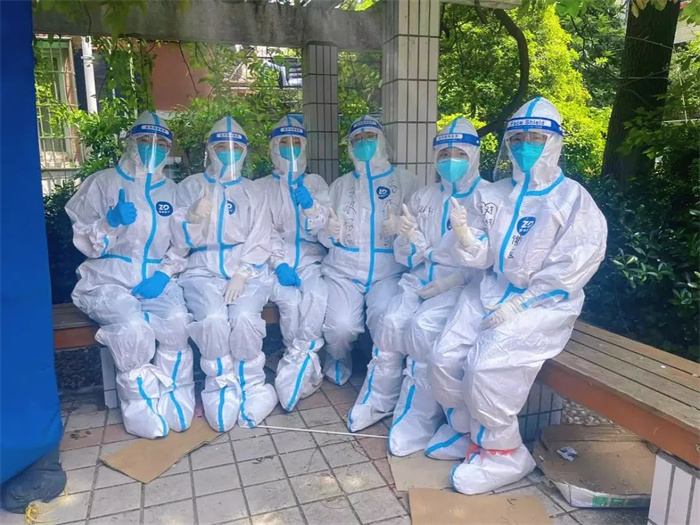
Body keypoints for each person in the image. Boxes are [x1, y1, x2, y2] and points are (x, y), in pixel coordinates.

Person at [429, 97, 607, 494]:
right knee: (443, 357)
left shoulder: (572, 199)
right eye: (518, 139)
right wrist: (465, 236)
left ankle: (504, 451)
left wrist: (522, 303)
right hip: (490, 288)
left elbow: (574, 264)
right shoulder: (494, 194)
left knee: (486, 367)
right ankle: (467, 430)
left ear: (554, 142)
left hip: (544, 302)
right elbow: (482, 255)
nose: (526, 146)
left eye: (536, 138)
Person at [364, 117, 503, 452]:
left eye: (459, 153)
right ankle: (378, 399)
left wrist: (453, 280)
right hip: (419, 278)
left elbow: (493, 261)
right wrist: (406, 237)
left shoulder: (489, 198)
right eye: (443, 154)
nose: (450, 160)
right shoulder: (424, 197)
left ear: (474, 155)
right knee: (390, 322)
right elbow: (407, 256)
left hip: (461, 286)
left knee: (422, 329)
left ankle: (418, 417)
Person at [67, 111, 193, 439]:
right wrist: (109, 222)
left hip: (154, 276)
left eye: (161, 143)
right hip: (108, 277)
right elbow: (84, 240)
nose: (153, 148)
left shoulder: (173, 191)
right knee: (133, 327)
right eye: (145, 140)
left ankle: (176, 394)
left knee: (177, 321)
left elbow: (181, 243)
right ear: (130, 142)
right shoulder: (104, 183)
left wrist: (165, 274)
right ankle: (140, 405)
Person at [173, 116, 276, 432]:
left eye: (235, 148)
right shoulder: (190, 187)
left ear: (244, 152)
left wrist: (243, 273)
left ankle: (253, 386)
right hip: (200, 270)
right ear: (209, 149)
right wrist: (193, 218)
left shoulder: (253, 191)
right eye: (220, 147)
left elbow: (262, 237)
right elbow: (175, 239)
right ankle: (220, 386)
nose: (228, 153)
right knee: (213, 320)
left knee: (244, 318)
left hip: (247, 271)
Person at [319, 116, 419, 393]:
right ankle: (338, 358)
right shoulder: (340, 185)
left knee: (386, 320)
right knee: (340, 327)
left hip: (389, 271)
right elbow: (323, 235)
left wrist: (403, 229)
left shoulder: (406, 181)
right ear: (350, 147)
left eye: (370, 137)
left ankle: (383, 373)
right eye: (357, 139)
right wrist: (329, 231)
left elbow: (421, 229)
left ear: (382, 140)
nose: (364, 144)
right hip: (344, 270)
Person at [257, 115, 330, 411]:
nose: (290, 148)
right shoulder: (262, 187)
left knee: (317, 296)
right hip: (277, 265)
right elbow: (263, 231)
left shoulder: (315, 183)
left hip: (312, 260)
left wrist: (311, 208)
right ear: (273, 147)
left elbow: (325, 230)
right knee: (290, 303)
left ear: (304, 147)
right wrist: (279, 263)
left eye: (296, 143)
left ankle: (297, 359)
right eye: (283, 143)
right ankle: (300, 362)